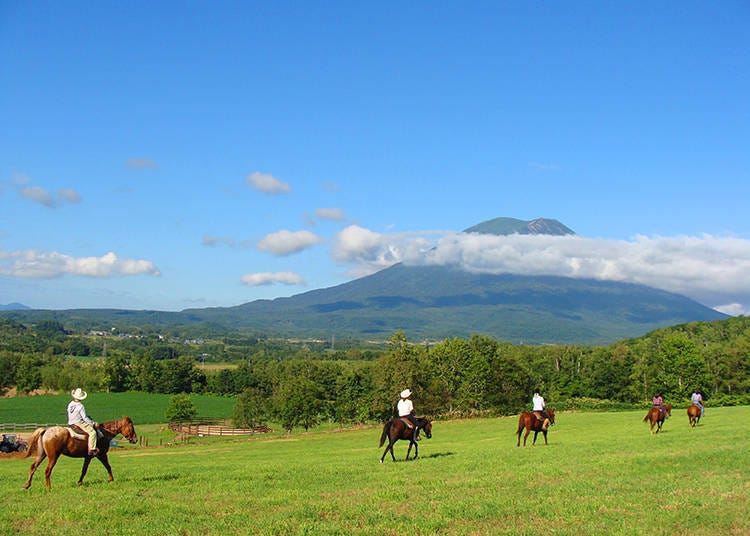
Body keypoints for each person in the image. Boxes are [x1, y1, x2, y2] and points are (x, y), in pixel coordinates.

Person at [67, 388, 99, 456]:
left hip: (70, 422)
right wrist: (93, 423)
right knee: (93, 433)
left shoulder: (70, 404)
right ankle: (91, 449)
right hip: (78, 423)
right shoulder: (80, 406)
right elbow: (84, 418)